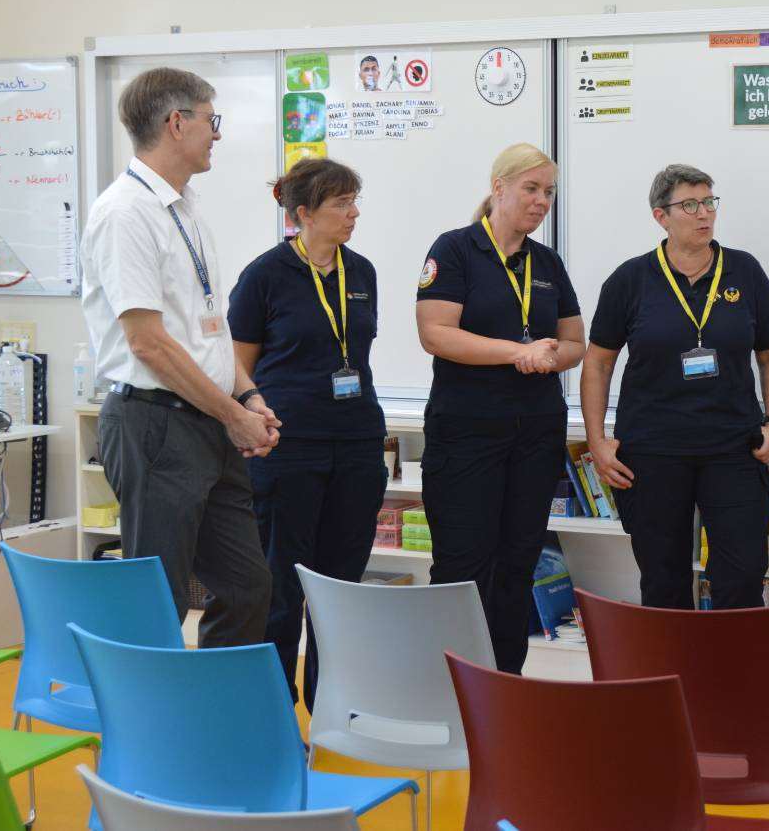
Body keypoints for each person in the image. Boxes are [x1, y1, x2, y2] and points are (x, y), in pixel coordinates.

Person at [80, 67, 278, 647]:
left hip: (208, 422)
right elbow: (148, 343)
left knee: (247, 587)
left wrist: (248, 396)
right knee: (158, 598)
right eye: (209, 120)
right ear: (176, 122)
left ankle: (215, 722)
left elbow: (208, 334)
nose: (216, 134)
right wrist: (232, 413)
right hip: (155, 423)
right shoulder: (126, 214)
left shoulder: (184, 208)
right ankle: (150, 734)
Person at [582, 165, 769, 611]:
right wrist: (597, 441)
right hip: (654, 451)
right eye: (690, 205)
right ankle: (671, 678)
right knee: (663, 580)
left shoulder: (745, 271)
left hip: (734, 448)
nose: (704, 214)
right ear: (661, 216)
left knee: (742, 575)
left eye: (709, 202)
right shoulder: (630, 279)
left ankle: (729, 680)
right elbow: (598, 363)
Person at [415, 143, 585, 673]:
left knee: (517, 563)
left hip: (534, 433)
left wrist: (549, 355)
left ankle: (507, 683)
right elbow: (435, 334)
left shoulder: (547, 261)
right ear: (498, 188)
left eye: (549, 192)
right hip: (467, 432)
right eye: (531, 189)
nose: (541, 201)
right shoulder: (457, 249)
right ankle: (453, 686)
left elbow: (576, 343)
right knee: (464, 566)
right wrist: (519, 352)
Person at [228, 158, 384, 710]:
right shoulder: (264, 276)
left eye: (353, 200)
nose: (354, 212)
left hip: (359, 443)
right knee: (281, 583)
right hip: (286, 447)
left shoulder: (360, 272)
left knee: (342, 582)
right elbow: (236, 367)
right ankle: (273, 705)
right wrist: (254, 410)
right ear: (303, 214)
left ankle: (334, 700)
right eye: (342, 203)